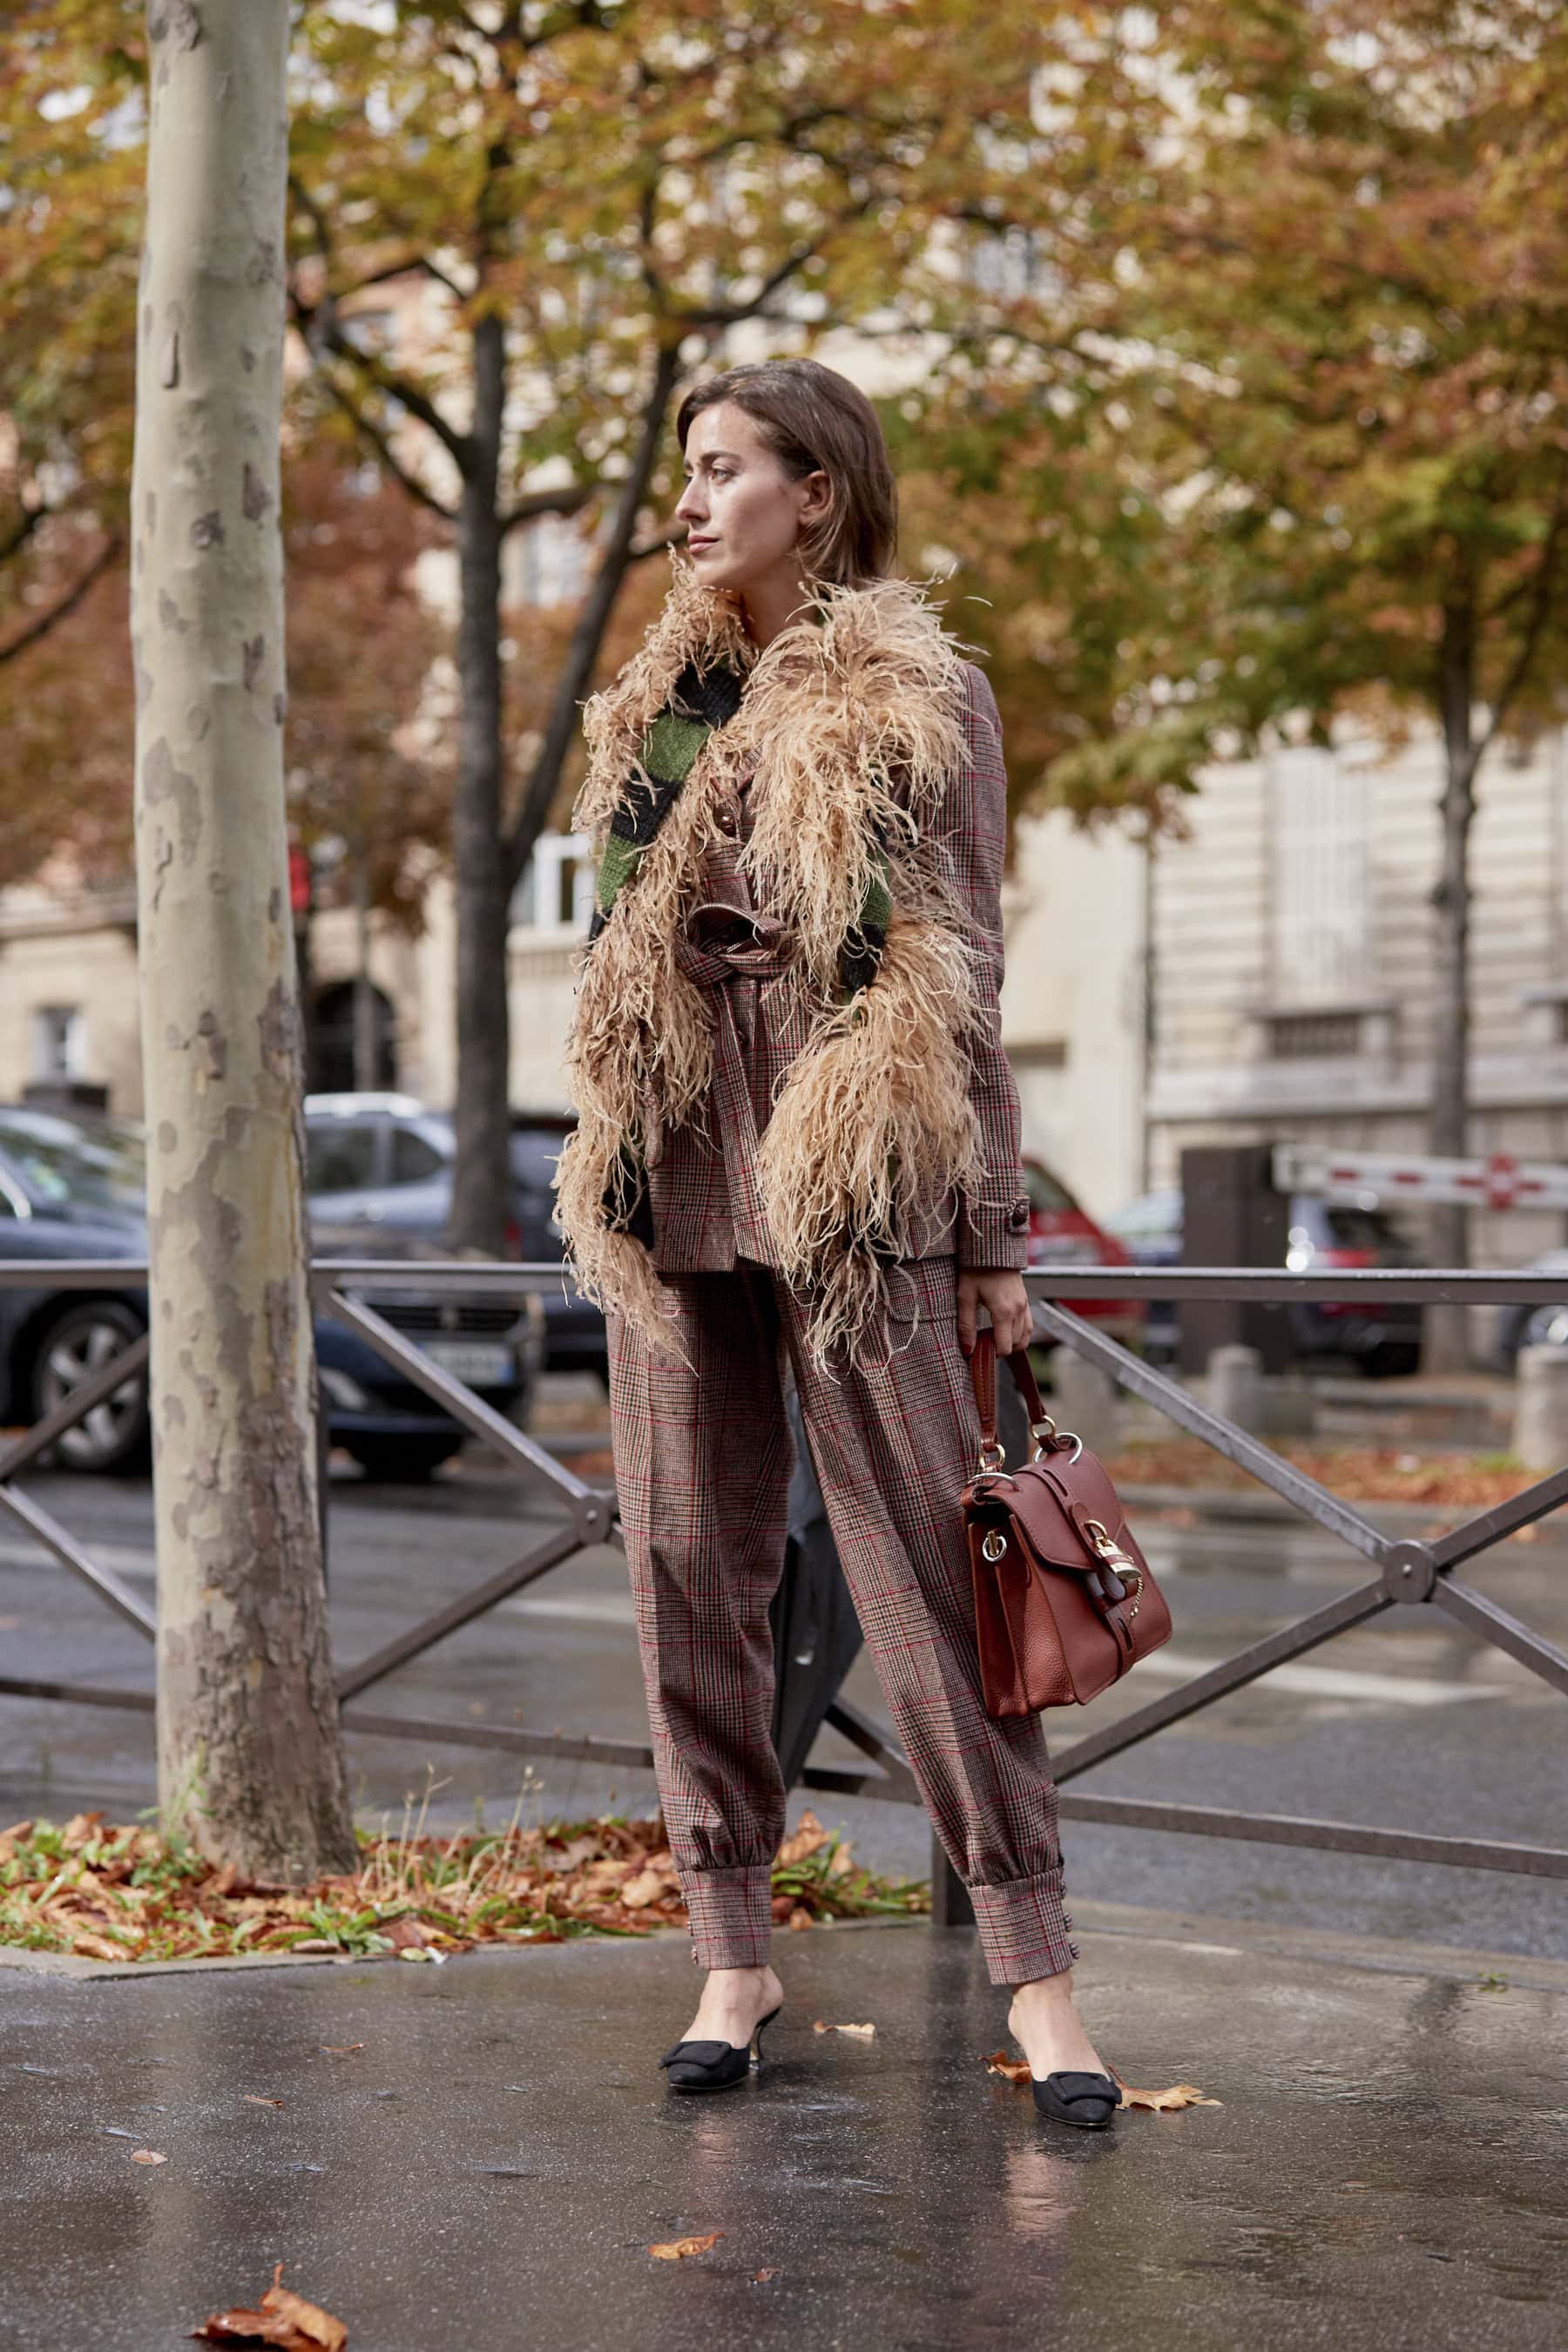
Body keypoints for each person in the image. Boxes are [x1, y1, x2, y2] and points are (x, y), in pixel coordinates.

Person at [552, 357, 1119, 2131]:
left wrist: (993, 1236)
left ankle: (1040, 1980)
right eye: (688, 469)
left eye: (725, 469)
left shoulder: (921, 694)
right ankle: (734, 1948)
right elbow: (619, 965)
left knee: (927, 1589)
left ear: (821, 489)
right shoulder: (663, 705)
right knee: (686, 1570)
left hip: (858, 1195)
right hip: (673, 1191)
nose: (692, 500)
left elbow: (961, 975)